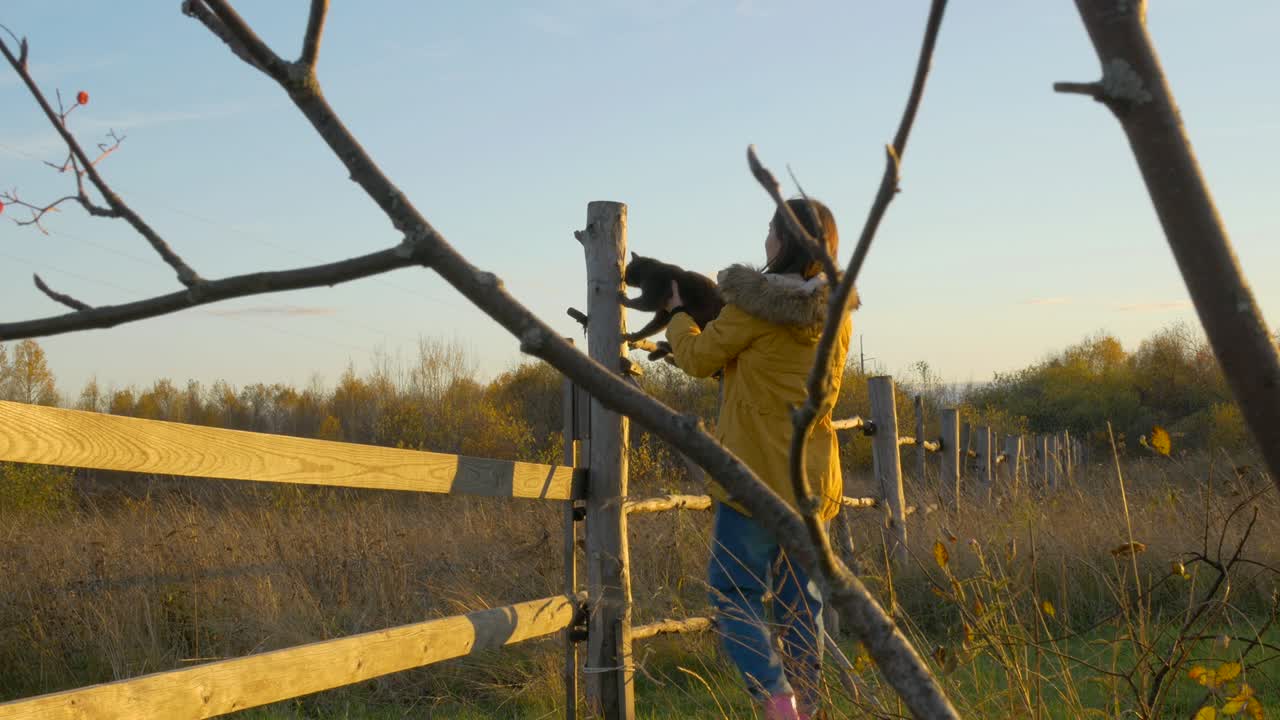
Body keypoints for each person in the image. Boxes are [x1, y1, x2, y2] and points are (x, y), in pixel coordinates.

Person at [664, 198, 854, 720]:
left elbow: (699, 360)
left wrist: (678, 315)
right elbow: (785, 376)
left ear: (784, 240)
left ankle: (777, 700)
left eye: (771, 229)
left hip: (751, 482)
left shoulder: (751, 305)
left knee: (736, 596)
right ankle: (806, 709)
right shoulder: (837, 315)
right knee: (802, 609)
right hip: (811, 485)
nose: (765, 237)